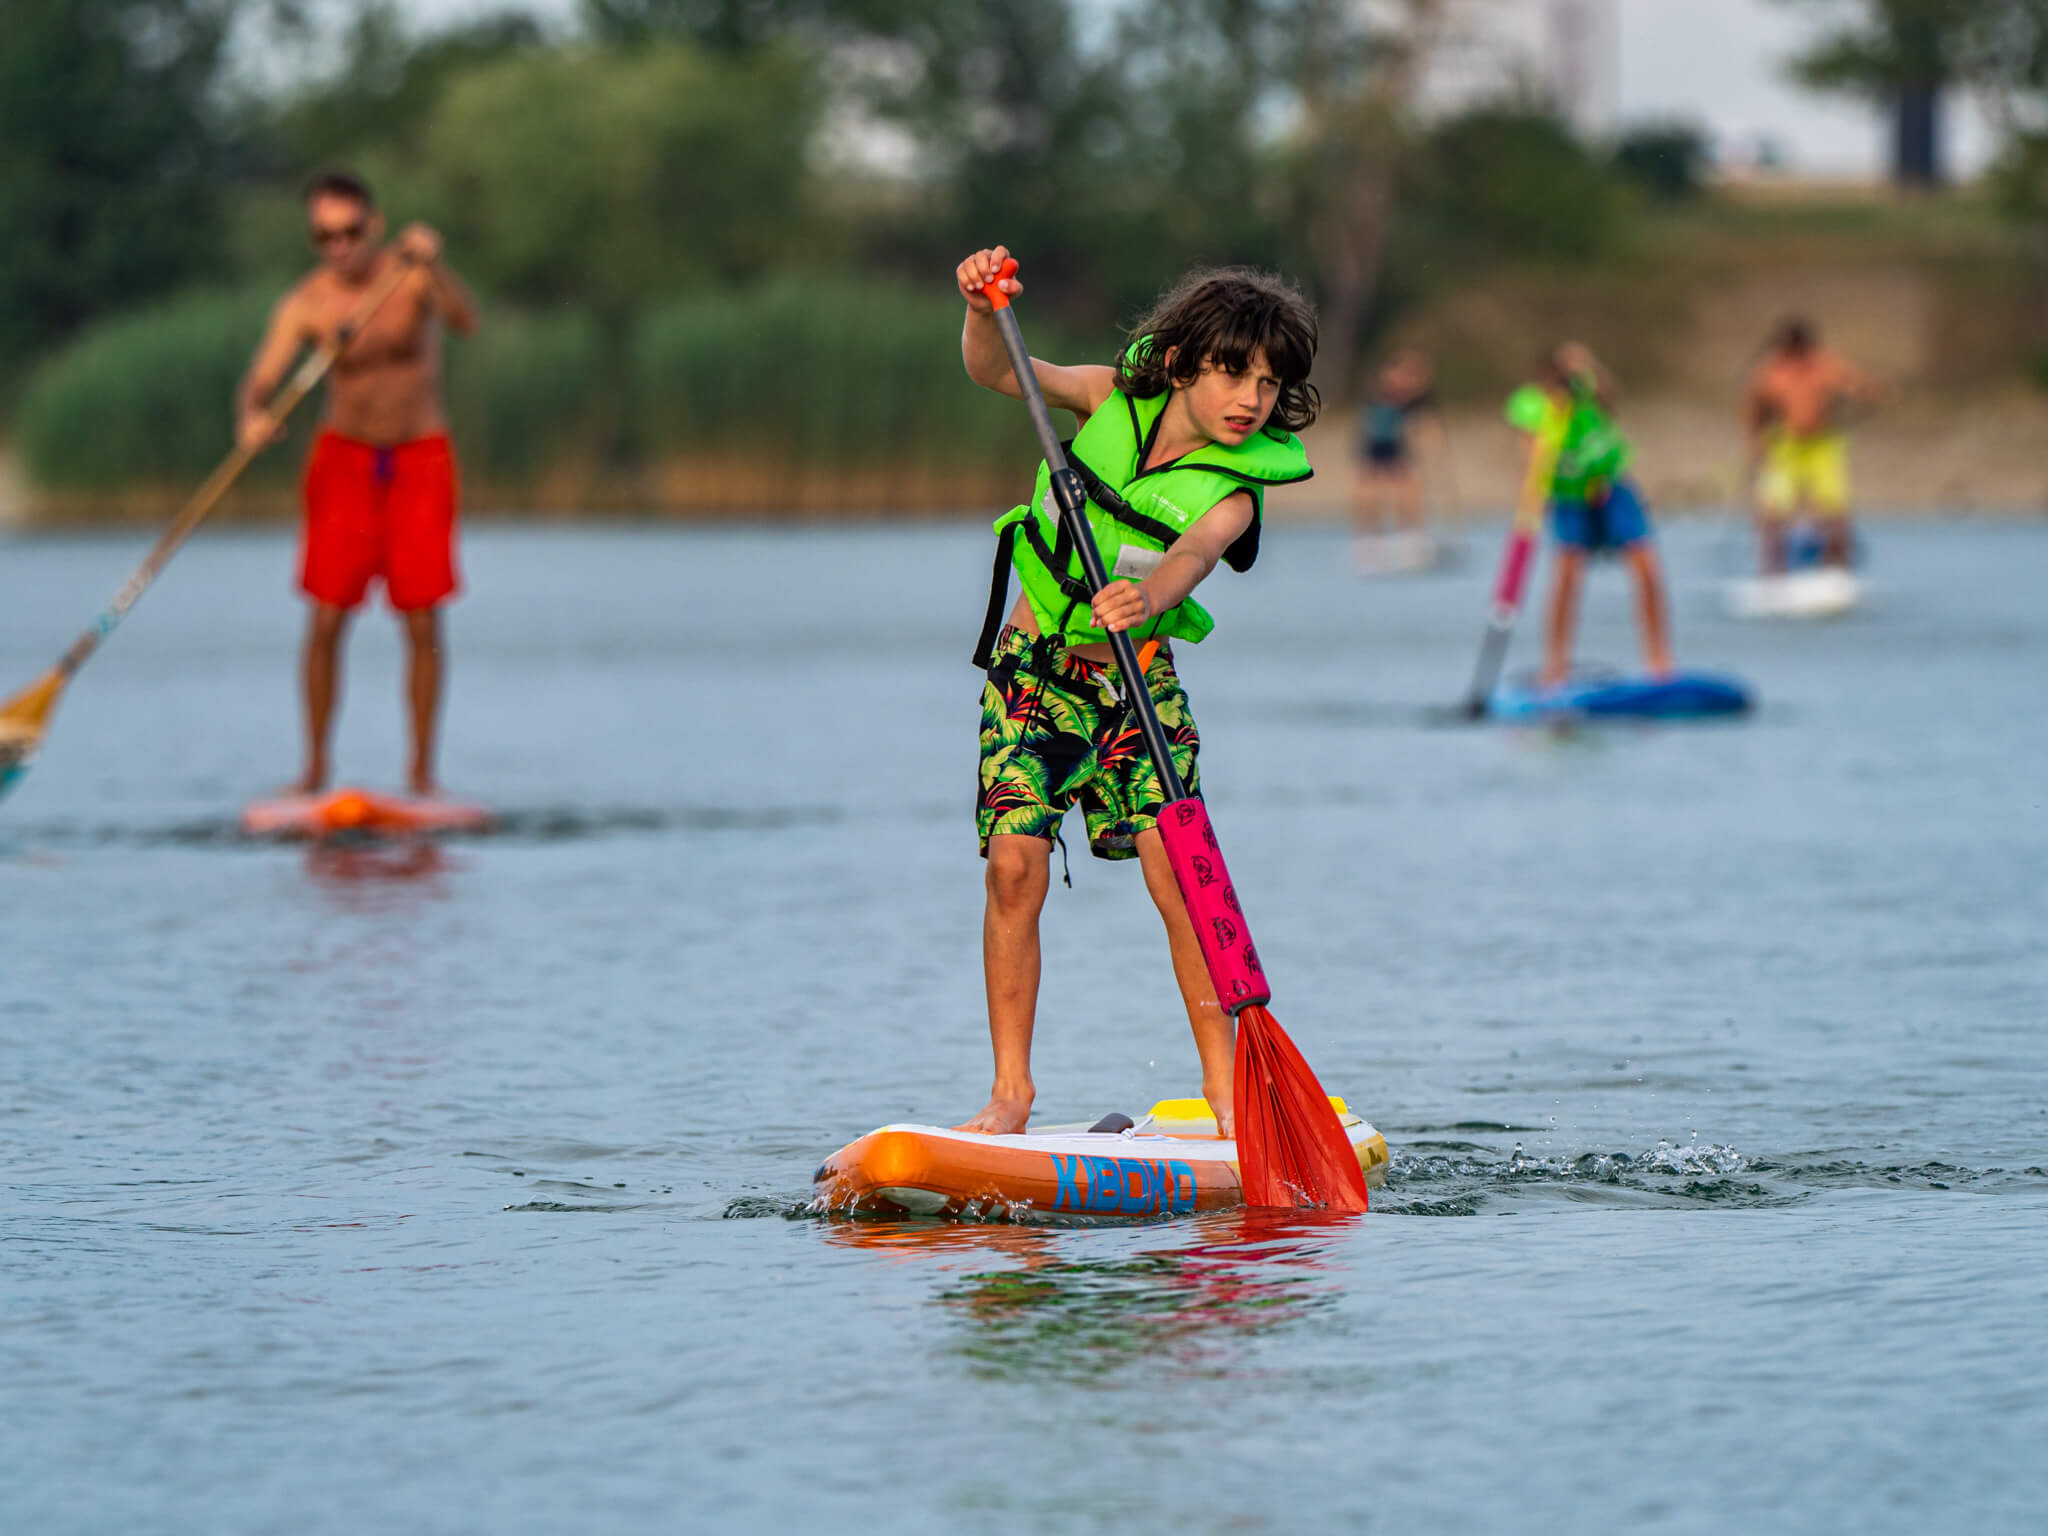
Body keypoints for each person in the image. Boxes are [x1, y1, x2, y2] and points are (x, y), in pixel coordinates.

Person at [955, 247, 1318, 1136]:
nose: (1250, 399)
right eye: (1234, 373)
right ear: (1186, 362)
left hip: (1136, 690)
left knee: (1178, 876)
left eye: (1269, 384)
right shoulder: (1110, 397)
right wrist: (977, 305)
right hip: (1034, 678)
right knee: (1013, 867)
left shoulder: (1238, 488)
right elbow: (1002, 367)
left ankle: (1228, 1092)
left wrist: (1148, 596)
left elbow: (1192, 555)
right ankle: (1011, 1094)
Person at [235, 169, 478, 795]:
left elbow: (465, 321)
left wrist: (438, 267)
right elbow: (261, 377)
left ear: (374, 225)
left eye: (348, 233)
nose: (338, 247)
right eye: (323, 236)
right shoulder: (308, 302)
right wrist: (253, 416)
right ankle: (315, 768)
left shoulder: (410, 273)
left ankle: (422, 773)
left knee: (422, 619)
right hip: (344, 459)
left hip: (419, 454)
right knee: (325, 618)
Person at [1505, 343, 1672, 687]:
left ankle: (1659, 662)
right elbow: (1529, 451)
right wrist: (1533, 495)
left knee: (1647, 568)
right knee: (1567, 578)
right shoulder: (1532, 403)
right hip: (1568, 495)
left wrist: (1590, 367)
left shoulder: (1588, 393)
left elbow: (1612, 402)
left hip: (1611, 487)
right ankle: (1555, 665)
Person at [1744, 316, 1885, 574]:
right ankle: (1773, 576)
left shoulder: (1825, 366)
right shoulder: (1771, 371)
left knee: (1834, 512)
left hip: (1823, 444)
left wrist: (1860, 399)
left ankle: (1837, 573)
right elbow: (1754, 408)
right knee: (1773, 513)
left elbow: (1864, 388)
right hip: (1785, 446)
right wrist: (1756, 442)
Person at [1350, 348, 1448, 569]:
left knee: (1409, 488)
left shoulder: (1417, 396)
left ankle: (1411, 540)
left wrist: (1434, 451)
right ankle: (1368, 543)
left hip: (1398, 443)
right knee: (1369, 490)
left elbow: (1428, 423)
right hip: (1375, 442)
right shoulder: (1384, 386)